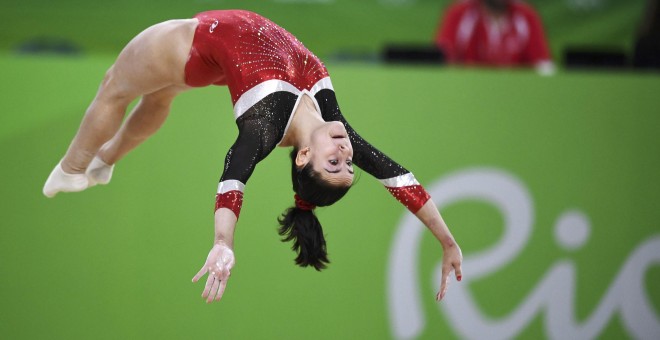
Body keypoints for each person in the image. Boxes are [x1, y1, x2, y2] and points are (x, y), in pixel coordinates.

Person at [43, 10, 463, 303]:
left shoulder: (264, 127)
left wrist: (223, 243)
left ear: (302, 158)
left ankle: (74, 168)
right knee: (159, 98)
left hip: (194, 45)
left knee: (115, 86)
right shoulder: (334, 125)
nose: (345, 153)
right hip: (219, 56)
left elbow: (232, 181)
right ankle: (106, 162)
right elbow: (399, 179)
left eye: (334, 163)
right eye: (349, 164)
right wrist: (446, 240)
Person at [434, 0, 554, 73]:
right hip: (468, 93)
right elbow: (441, 62)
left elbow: (544, 67)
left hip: (516, 95)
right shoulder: (459, 14)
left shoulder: (527, 16)